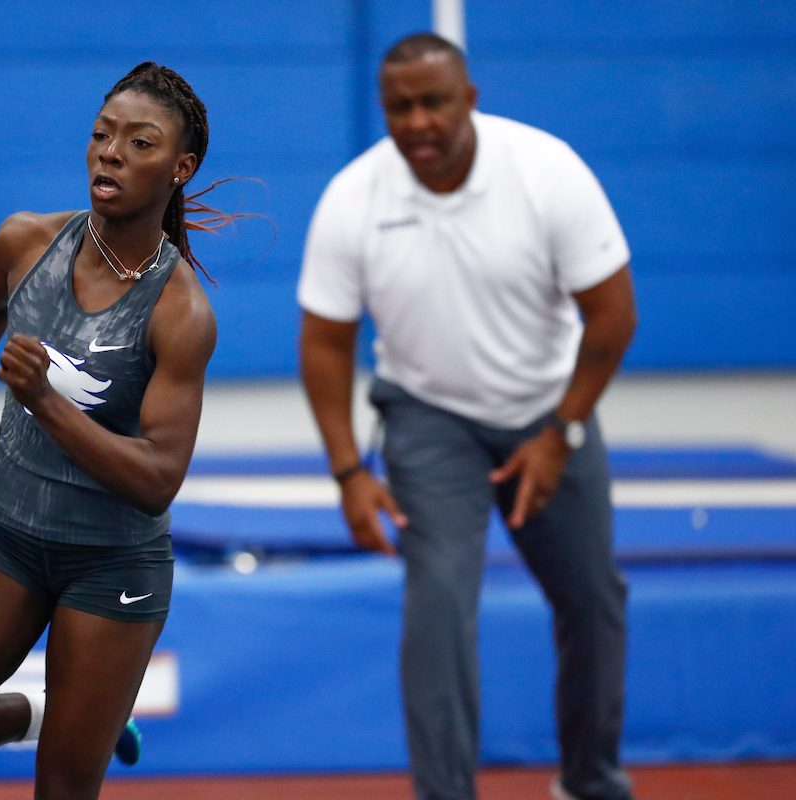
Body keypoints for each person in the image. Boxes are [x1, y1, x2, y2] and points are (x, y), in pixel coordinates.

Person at [0, 62, 222, 799]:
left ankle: (81, 731)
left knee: (63, 789)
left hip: (112, 567)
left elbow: (158, 480)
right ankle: (28, 715)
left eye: (139, 142)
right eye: (101, 135)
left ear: (180, 168)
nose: (109, 152)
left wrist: (46, 400)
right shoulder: (27, 241)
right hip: (7, 535)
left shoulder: (179, 312)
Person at [298, 33, 638, 800]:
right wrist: (349, 472)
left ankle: (591, 780)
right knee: (440, 601)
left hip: (550, 412)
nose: (416, 121)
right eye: (399, 107)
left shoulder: (547, 174)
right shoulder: (355, 197)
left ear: (470, 99)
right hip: (428, 416)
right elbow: (324, 343)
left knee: (592, 599)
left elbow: (613, 315)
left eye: (433, 102)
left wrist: (562, 432)